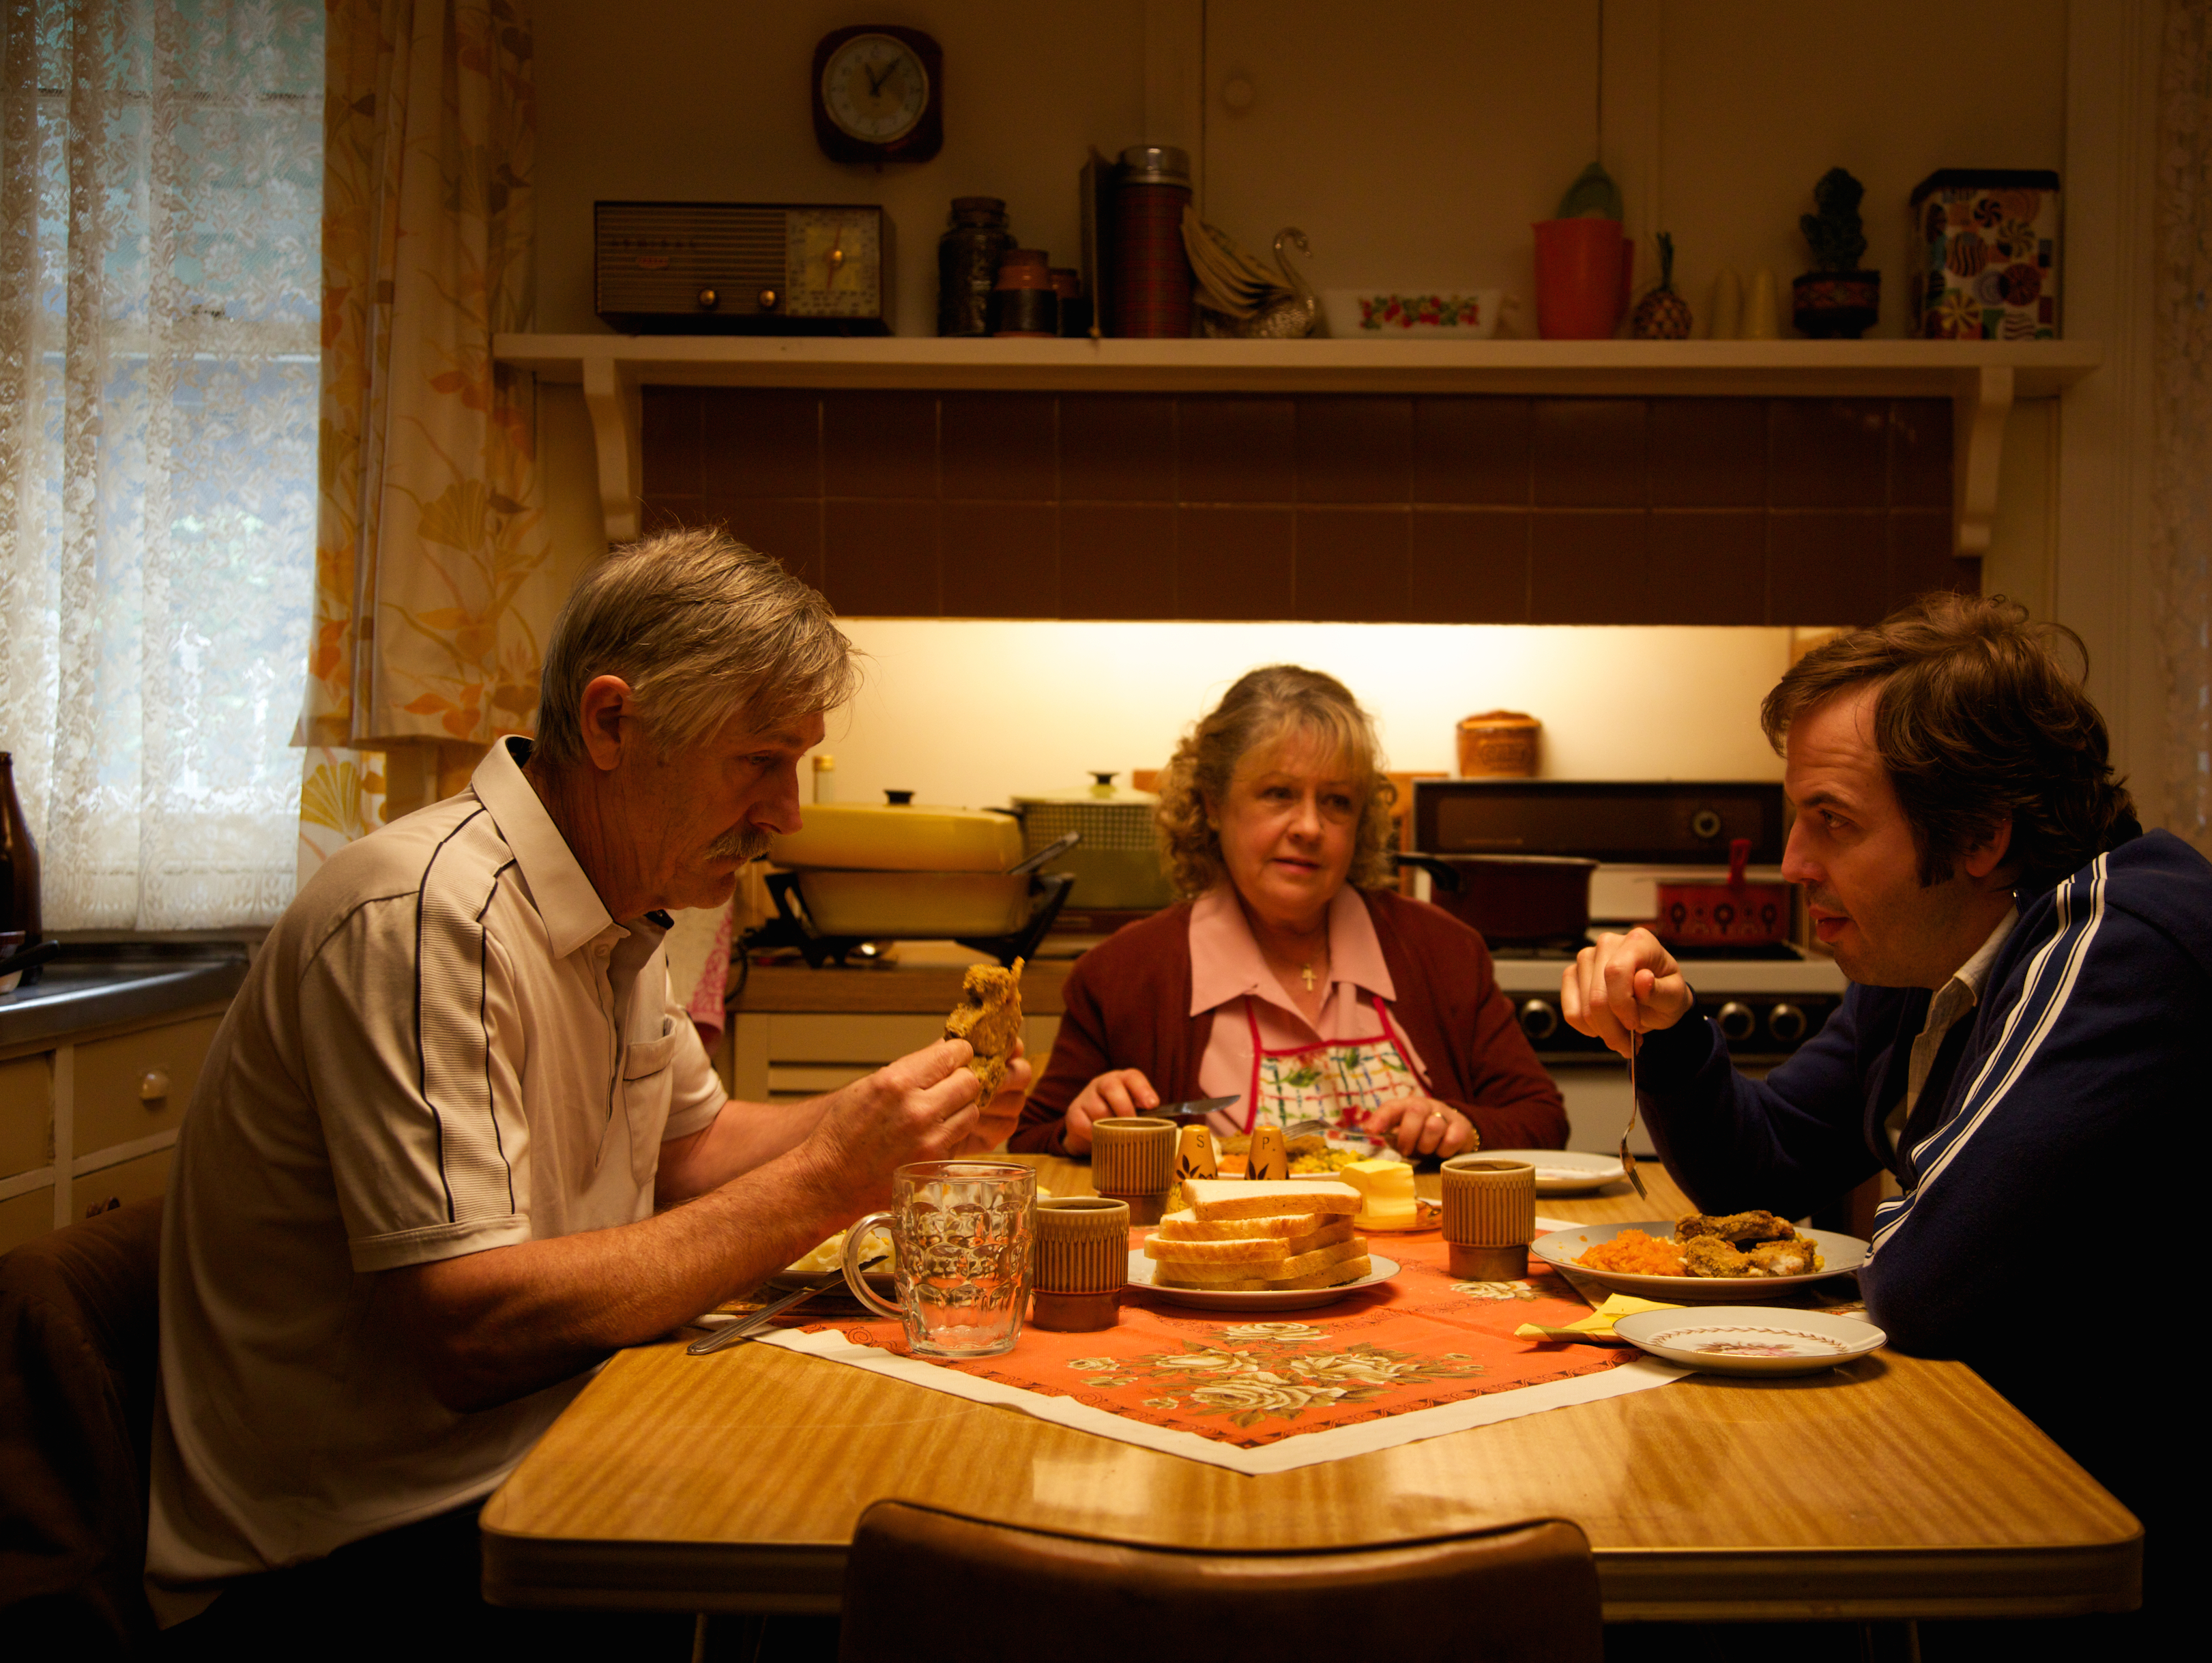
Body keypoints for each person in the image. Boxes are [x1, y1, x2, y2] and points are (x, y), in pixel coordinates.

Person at [148, 530, 1025, 1651]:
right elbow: (471, 1329)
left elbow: (693, 1151)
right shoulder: (426, 917)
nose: (786, 811)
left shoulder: (615, 914)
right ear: (612, 722)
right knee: (878, 1573)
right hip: (345, 1561)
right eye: (759, 759)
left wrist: (892, 1127)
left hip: (532, 1459)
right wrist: (826, 1179)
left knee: (891, 1486)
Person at [1564, 594, 2212, 1654]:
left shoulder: (2122, 938)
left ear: (1979, 837)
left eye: (1833, 821)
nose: (1791, 866)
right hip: (2085, 1474)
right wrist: (1671, 1036)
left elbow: (1923, 1287)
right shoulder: (1932, 950)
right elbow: (1766, 1168)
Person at [1011, 665, 1564, 1160]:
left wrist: (1464, 1126)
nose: (1309, 826)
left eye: (1336, 801)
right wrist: (1078, 1127)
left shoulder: (1446, 951)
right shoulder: (1119, 975)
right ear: (1211, 802)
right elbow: (1034, 1137)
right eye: (1278, 793)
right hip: (1221, 1271)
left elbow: (1542, 1118)